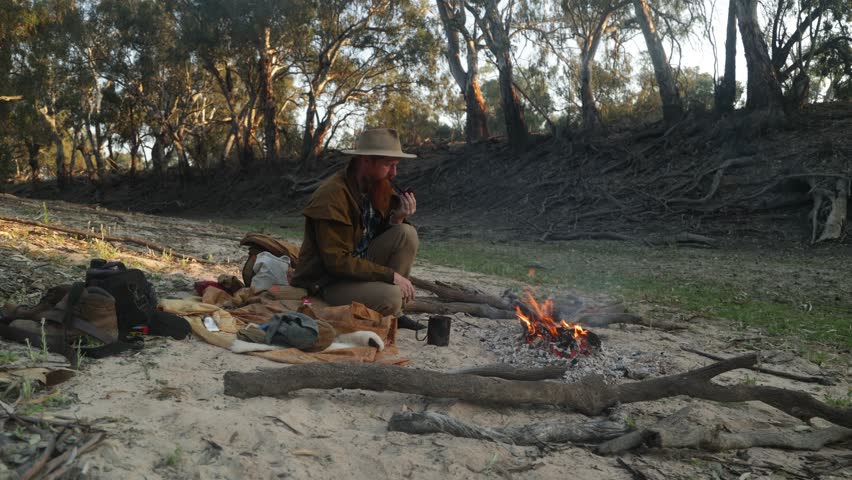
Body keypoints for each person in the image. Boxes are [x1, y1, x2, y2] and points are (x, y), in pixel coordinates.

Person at [290, 128, 422, 329]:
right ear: (367, 161)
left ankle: (393, 312)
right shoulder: (332, 196)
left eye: (396, 166)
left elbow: (369, 237)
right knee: (393, 296)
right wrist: (391, 276)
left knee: (406, 234)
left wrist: (397, 218)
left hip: (358, 268)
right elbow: (337, 262)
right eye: (389, 165)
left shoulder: (379, 186)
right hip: (327, 281)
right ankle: (390, 306)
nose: (394, 173)